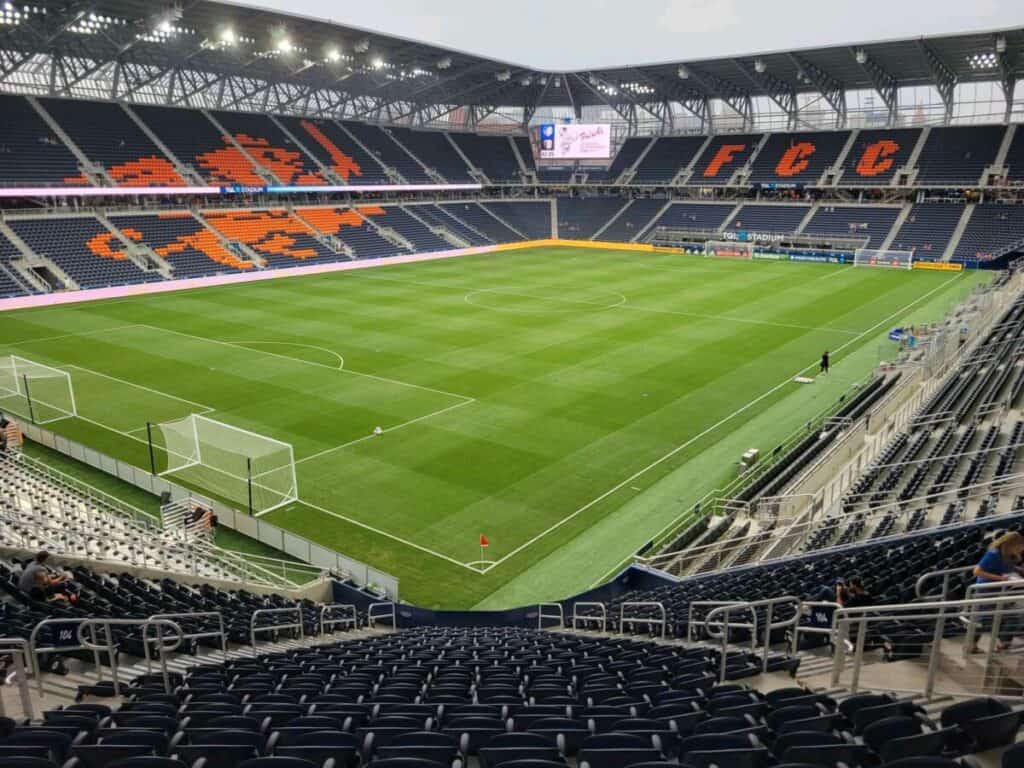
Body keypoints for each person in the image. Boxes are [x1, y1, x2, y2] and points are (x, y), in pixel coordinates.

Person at [971, 531, 1024, 651]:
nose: (1021, 549)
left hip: (1000, 590)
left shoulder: (1010, 555)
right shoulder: (993, 554)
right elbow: (977, 571)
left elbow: (1006, 567)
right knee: (984, 621)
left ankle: (1004, 643)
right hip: (986, 591)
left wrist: (1018, 571)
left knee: (1014, 616)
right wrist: (1001, 578)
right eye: (1020, 546)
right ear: (1012, 544)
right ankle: (972, 645)